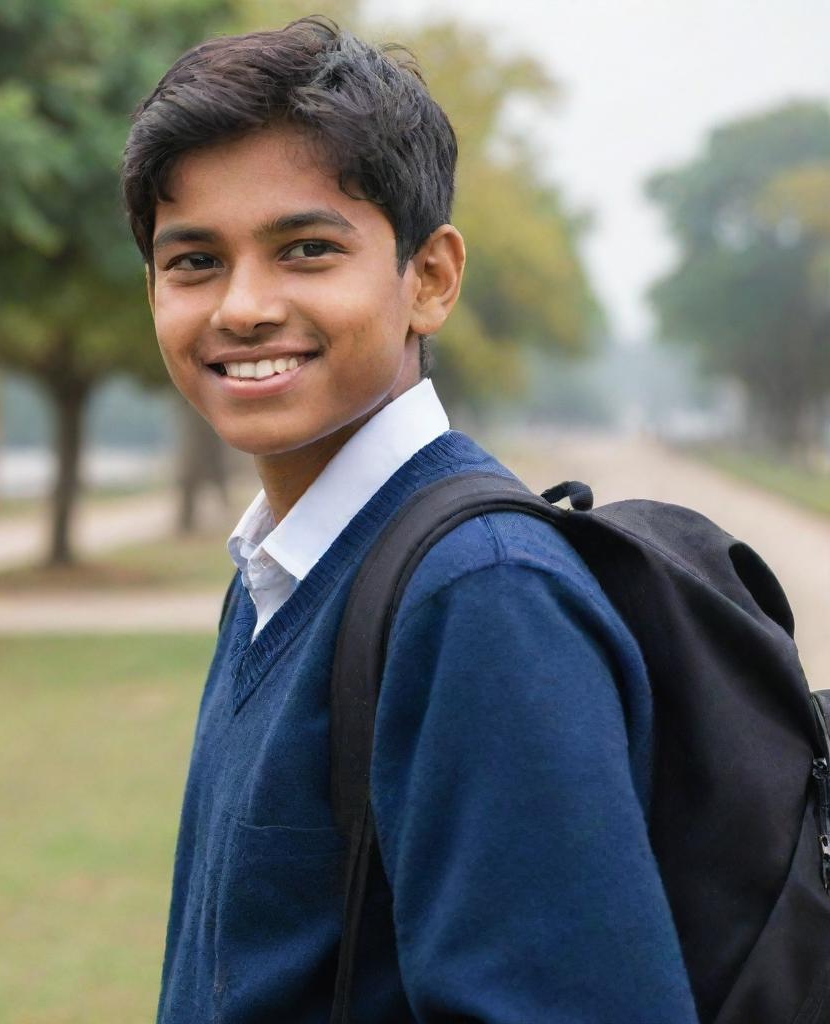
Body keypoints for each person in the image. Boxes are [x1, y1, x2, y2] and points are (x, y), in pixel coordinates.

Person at [121, 16, 699, 1023]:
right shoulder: (282, 568)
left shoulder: (479, 595)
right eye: (194, 262)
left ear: (428, 277)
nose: (243, 306)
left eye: (305, 249)